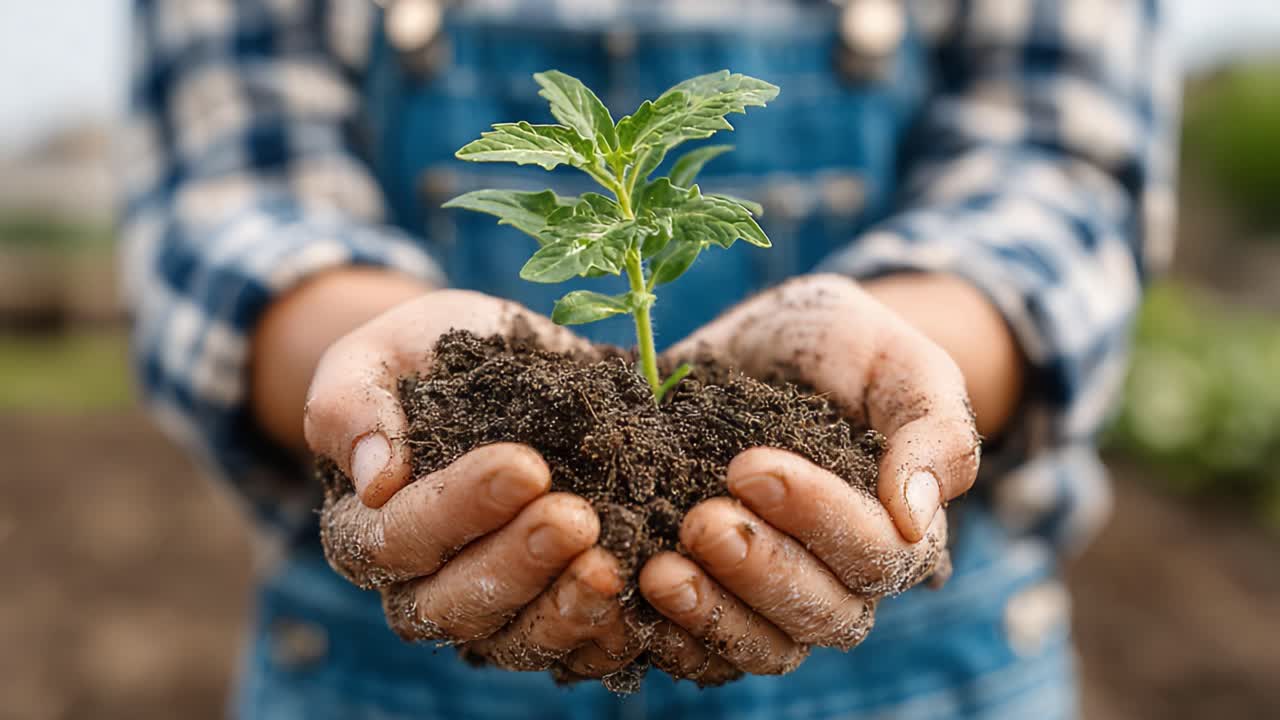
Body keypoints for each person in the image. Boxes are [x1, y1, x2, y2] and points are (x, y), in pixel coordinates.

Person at [119, 0, 1178, 717]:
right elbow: (230, 202)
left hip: (921, 670)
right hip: (383, 675)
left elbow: (1060, 174)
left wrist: (907, 359)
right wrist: (385, 370)